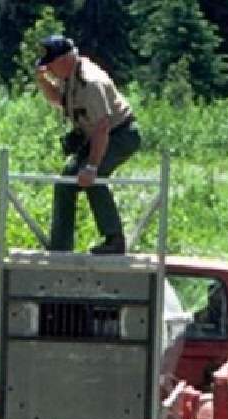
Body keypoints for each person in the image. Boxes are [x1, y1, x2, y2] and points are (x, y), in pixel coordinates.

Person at [35, 35, 141, 255]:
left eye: (51, 66)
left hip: (120, 135)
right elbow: (59, 101)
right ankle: (60, 247)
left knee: (93, 178)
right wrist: (44, 82)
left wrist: (91, 166)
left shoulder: (91, 82)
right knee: (66, 182)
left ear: (64, 60)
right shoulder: (70, 76)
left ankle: (114, 241)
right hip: (98, 135)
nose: (50, 71)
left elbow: (102, 127)